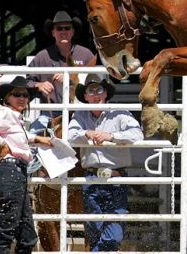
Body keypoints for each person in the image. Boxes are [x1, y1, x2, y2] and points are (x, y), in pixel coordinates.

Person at [0, 76, 53, 254]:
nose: (22, 98)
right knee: (9, 232)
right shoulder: (5, 113)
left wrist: (37, 138)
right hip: (12, 173)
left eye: (25, 95)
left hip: (15, 174)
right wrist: (1, 142)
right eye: (17, 94)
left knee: (27, 236)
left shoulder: (13, 118)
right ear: (7, 98)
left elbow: (20, 136)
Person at [68, 74, 143, 252]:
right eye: (91, 91)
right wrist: (87, 133)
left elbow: (137, 135)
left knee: (114, 232)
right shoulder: (80, 115)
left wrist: (112, 136)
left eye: (99, 90)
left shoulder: (120, 113)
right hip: (91, 178)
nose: (95, 94)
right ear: (85, 96)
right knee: (94, 229)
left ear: (106, 93)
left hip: (115, 177)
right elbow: (70, 136)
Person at [27, 10, 96, 133]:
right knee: (32, 136)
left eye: (67, 28)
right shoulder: (43, 56)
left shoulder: (86, 55)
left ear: (72, 31)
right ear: (53, 32)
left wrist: (70, 79)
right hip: (50, 114)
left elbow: (96, 81)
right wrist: (39, 85)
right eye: (59, 28)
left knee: (91, 141)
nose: (63, 32)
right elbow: (27, 81)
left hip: (81, 113)